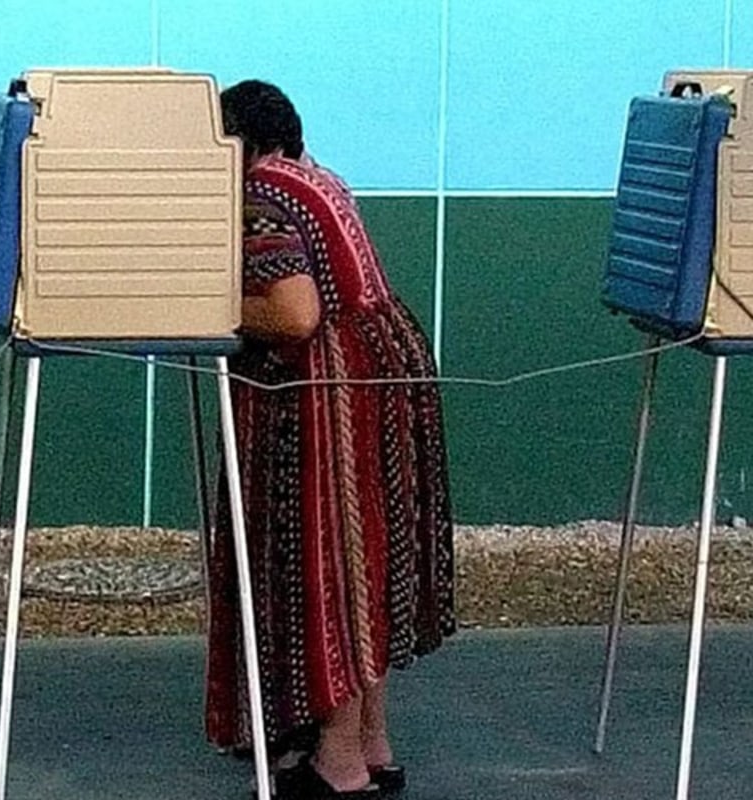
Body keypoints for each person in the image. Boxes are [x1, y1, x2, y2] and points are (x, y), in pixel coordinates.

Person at [201, 80, 454, 800]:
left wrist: (205, 298)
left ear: (240, 142)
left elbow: (293, 313)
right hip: (387, 371)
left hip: (327, 392)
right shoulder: (318, 178)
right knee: (367, 563)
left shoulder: (261, 194)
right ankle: (373, 743)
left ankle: (337, 763)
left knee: (328, 569)